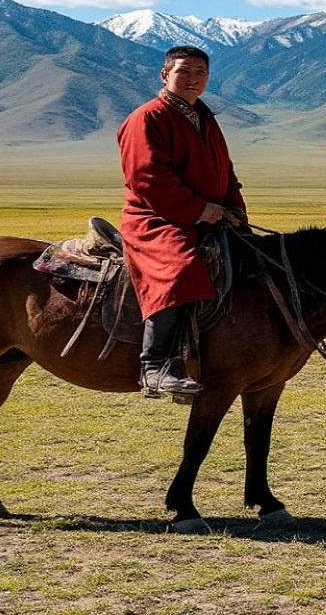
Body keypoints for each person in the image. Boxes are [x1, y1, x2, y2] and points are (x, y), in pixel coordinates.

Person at [116, 45, 246, 397]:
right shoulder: (147, 118)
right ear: (164, 75)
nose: (193, 80)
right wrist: (200, 210)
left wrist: (237, 211)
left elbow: (225, 172)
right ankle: (155, 365)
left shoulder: (205, 117)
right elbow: (147, 179)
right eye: (184, 72)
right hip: (155, 217)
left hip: (206, 216)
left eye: (200, 73)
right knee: (180, 268)